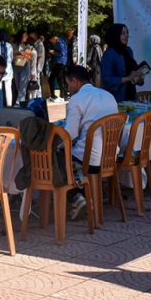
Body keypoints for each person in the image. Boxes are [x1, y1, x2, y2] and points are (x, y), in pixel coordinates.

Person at [62, 64, 118, 220]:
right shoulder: (108, 96)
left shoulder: (77, 99)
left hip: (90, 160)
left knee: (55, 158)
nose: (68, 88)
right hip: (110, 157)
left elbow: (70, 134)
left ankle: (77, 197)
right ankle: (83, 195)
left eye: (68, 83)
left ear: (74, 81)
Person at [100, 23, 143, 102]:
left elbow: (131, 71)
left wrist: (138, 78)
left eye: (127, 33)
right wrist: (127, 78)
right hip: (115, 99)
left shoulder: (128, 51)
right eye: (123, 33)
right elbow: (106, 79)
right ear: (115, 35)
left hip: (131, 97)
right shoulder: (109, 54)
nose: (126, 36)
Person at [14, 32, 34, 107]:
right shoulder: (14, 45)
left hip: (24, 67)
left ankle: (19, 103)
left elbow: (30, 57)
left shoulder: (27, 45)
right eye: (25, 35)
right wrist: (18, 54)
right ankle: (21, 101)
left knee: (22, 86)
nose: (26, 37)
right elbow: (12, 55)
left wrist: (24, 55)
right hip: (15, 66)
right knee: (17, 86)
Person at [50, 33, 68, 99]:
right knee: (57, 79)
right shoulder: (59, 42)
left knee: (59, 79)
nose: (51, 41)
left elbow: (62, 54)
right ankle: (56, 95)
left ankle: (62, 95)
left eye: (51, 39)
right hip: (59, 62)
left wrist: (54, 53)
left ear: (55, 37)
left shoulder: (60, 42)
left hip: (60, 63)